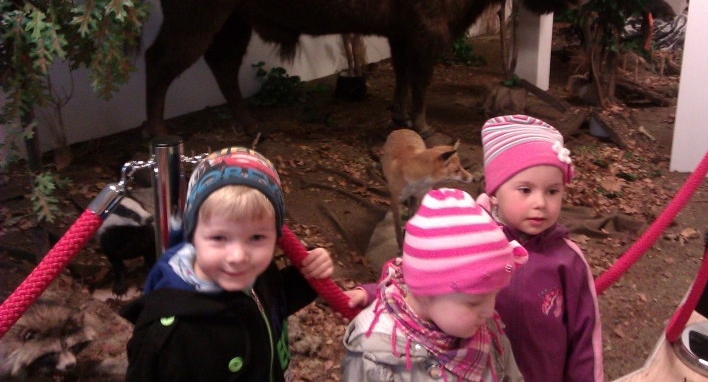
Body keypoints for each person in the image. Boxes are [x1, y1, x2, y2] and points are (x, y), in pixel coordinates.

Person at [120, 147, 333, 382]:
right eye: (219, 238)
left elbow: (274, 303)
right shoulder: (167, 336)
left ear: (276, 237)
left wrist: (307, 274)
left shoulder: (256, 274)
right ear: (193, 236)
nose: (238, 256)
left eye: (256, 237)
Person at [341, 187, 528, 382]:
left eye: (494, 294)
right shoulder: (375, 358)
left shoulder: (489, 333)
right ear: (426, 293)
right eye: (473, 302)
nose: (489, 311)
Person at [479, 115, 603, 382]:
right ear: (494, 193)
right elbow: (428, 296)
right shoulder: (472, 243)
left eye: (552, 191)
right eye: (525, 190)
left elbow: (584, 340)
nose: (540, 203)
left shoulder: (567, 261)